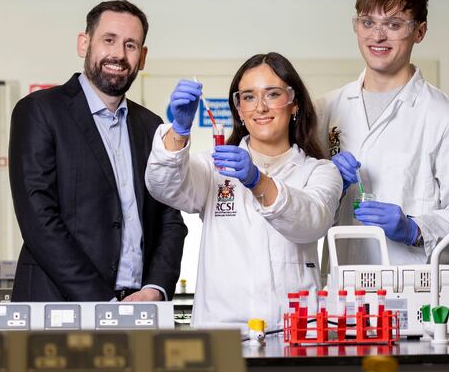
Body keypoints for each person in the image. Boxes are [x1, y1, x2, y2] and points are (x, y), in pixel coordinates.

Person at [145, 52, 342, 329]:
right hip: (222, 333)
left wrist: (257, 181)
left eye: (272, 94)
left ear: (293, 104)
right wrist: (178, 131)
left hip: (292, 332)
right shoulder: (212, 169)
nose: (260, 107)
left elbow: (311, 223)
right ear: (239, 109)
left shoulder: (319, 171)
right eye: (248, 97)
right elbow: (163, 186)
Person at [9, 0, 187, 302]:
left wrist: (155, 288)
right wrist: (103, 304)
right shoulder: (39, 111)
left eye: (131, 45)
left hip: (138, 307)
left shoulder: (151, 125)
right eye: (109, 40)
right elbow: (39, 220)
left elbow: (170, 218)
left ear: (142, 58)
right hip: (57, 306)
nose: (118, 54)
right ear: (84, 44)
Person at [316, 0, 449, 267]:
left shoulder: (444, 115)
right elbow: (304, 213)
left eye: (393, 25)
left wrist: (415, 228)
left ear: (419, 32)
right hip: (342, 285)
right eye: (367, 22)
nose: (377, 36)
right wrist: (329, 184)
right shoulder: (325, 109)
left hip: (413, 287)